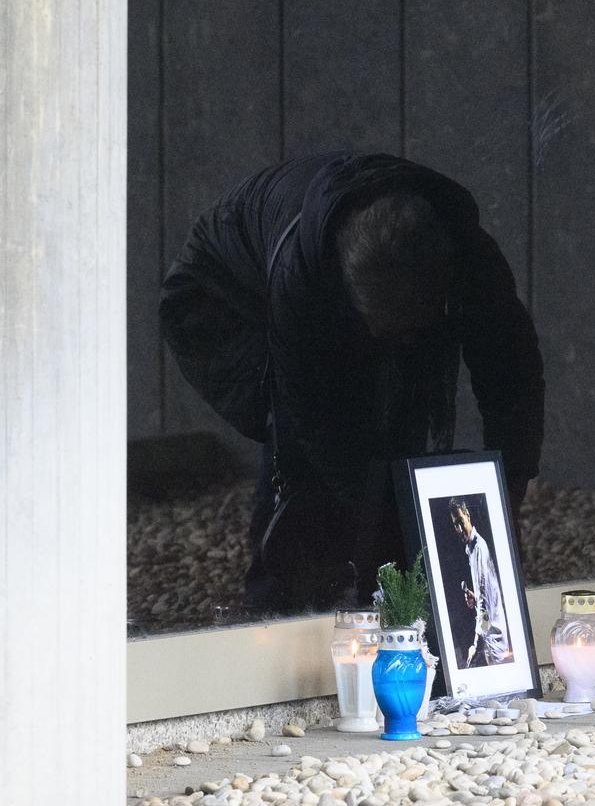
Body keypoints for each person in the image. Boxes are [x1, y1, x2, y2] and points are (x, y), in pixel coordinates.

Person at [161, 152, 546, 611]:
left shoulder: (471, 258)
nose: (398, 340)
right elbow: (314, 422)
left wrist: (511, 487)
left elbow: (511, 370)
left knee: (394, 422)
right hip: (221, 301)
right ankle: (281, 602)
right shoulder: (300, 280)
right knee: (304, 454)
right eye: (385, 328)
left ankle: (392, 595)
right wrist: (367, 520)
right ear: (350, 295)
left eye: (411, 326)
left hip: (346, 298)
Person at [449, 498, 511, 666]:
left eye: (461, 521)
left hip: (495, 642)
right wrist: (475, 597)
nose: (460, 528)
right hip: (490, 639)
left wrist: (476, 643)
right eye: (456, 524)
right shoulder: (470, 548)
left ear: (467, 515)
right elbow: (486, 595)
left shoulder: (478, 548)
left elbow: (485, 606)